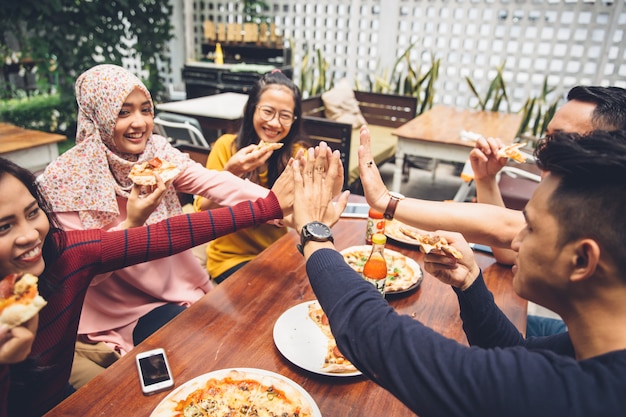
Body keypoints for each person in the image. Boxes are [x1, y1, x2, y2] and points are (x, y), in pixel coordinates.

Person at [292, 130, 626, 416]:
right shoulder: (593, 352)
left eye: (531, 228)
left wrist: (314, 235)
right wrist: (470, 284)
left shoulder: (584, 398)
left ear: (583, 260)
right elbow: (516, 353)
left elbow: (382, 340)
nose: (515, 238)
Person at [0, 146, 344, 417]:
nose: (29, 235)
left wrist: (266, 205)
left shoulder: (63, 253)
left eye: (33, 213)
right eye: (4, 226)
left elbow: (166, 236)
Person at [35, 64, 273, 386]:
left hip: (170, 282)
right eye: (123, 112)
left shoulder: (157, 155)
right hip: (110, 306)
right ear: (98, 116)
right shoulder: (64, 182)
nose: (140, 123)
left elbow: (214, 183)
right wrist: (134, 222)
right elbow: (82, 272)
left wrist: (284, 206)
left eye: (146, 110)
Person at [195, 70, 308, 283]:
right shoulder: (225, 147)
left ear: (294, 120)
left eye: (285, 116)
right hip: (230, 258)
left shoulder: (297, 155)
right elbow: (205, 209)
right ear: (252, 110)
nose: (275, 123)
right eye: (267, 111)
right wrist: (232, 172)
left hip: (279, 253)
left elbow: (303, 215)